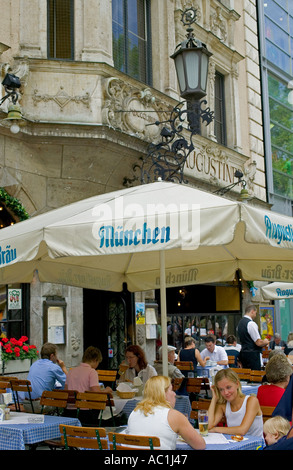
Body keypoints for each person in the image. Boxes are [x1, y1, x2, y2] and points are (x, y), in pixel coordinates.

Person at [126, 375, 206, 450]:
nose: (174, 394)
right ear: (162, 393)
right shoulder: (174, 415)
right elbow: (200, 445)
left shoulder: (134, 412)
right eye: (171, 390)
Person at [208, 368, 263, 436]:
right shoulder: (223, 405)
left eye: (228, 387)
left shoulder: (251, 401)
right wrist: (214, 399)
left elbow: (242, 430)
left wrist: (215, 429)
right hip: (237, 443)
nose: (226, 392)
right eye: (221, 389)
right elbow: (208, 426)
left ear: (237, 384)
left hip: (256, 445)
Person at [22, 342, 68, 413]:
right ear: (52, 356)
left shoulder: (34, 364)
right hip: (40, 405)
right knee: (62, 403)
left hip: (27, 404)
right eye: (56, 355)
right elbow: (68, 382)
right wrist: (63, 367)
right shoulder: (54, 367)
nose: (57, 358)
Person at [237, 305, 269, 370]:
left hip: (243, 353)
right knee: (255, 377)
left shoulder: (239, 323)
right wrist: (265, 342)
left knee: (246, 376)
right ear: (252, 311)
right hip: (253, 355)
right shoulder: (251, 324)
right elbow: (258, 342)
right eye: (255, 313)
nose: (255, 315)